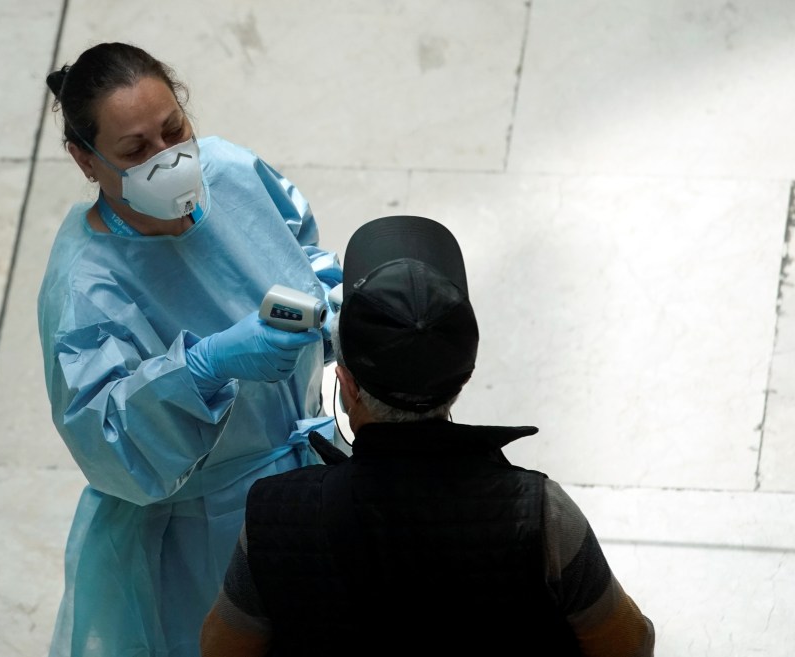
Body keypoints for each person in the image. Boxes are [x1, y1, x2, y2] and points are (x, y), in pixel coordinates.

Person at [201, 215, 656, 656]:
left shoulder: (274, 516)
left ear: (347, 383)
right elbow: (629, 644)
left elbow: (222, 648)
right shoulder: (542, 514)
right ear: (463, 376)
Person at [38, 41, 343, 657]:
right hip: (204, 529)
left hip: (310, 475)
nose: (167, 159)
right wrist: (203, 368)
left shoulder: (229, 172)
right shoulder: (86, 285)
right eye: (134, 151)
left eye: (174, 131)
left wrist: (330, 313)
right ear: (86, 160)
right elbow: (109, 444)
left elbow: (303, 252)